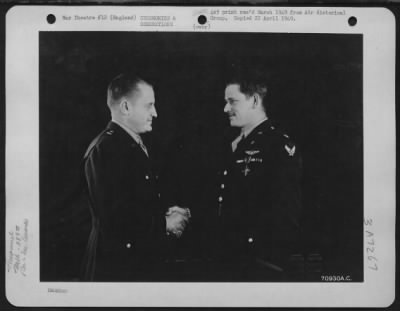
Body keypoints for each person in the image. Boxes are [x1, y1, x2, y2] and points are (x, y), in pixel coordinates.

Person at [81, 73, 189, 281]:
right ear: (126, 108)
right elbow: (115, 219)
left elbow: (137, 202)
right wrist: (164, 224)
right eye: (149, 105)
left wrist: (168, 214)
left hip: (135, 261)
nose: (155, 113)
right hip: (115, 268)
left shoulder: (130, 145)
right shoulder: (106, 150)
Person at [208, 72, 302, 280]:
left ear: (255, 100)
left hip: (260, 262)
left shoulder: (277, 145)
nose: (226, 109)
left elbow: (286, 212)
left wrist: (267, 260)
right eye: (225, 102)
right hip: (231, 258)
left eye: (232, 101)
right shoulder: (234, 144)